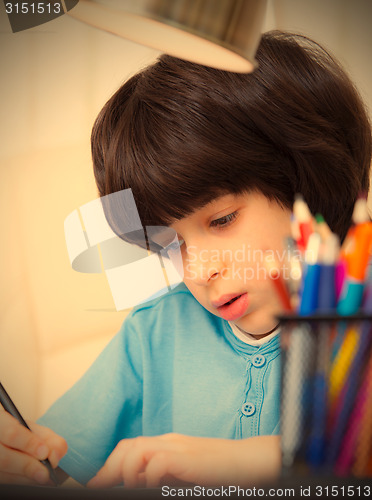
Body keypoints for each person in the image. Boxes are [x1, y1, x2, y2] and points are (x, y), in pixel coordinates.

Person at [0, 30, 370, 488]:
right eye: (168, 246)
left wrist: (263, 461)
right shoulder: (154, 333)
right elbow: (55, 464)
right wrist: (23, 465)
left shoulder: (358, 328)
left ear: (306, 184)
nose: (199, 271)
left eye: (222, 220)